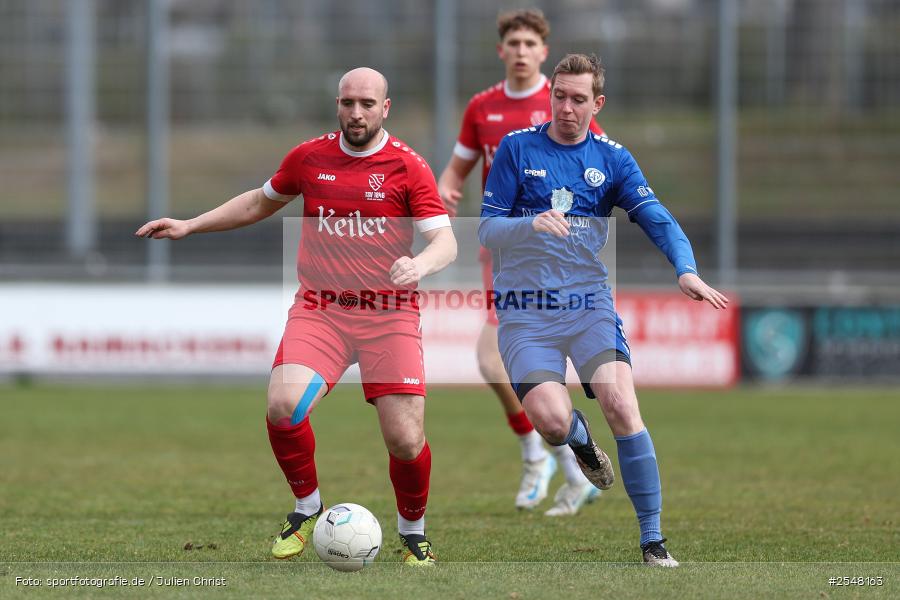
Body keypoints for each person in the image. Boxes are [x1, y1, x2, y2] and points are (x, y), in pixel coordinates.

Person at [135, 67, 456, 567]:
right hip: (321, 310)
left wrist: (419, 263)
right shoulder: (309, 157)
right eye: (348, 102)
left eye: (367, 104)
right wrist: (190, 225)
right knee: (283, 406)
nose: (356, 112)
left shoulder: (408, 167)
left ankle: (413, 531)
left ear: (384, 108)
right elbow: (259, 203)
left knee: (405, 438)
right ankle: (307, 507)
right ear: (337, 104)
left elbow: (446, 240)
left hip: (386, 315)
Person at [478, 53, 728, 567]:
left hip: (588, 305)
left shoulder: (613, 159)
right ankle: (578, 439)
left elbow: (656, 217)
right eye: (559, 96)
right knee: (549, 421)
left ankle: (653, 541)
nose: (565, 108)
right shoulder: (516, 149)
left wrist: (685, 268)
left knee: (620, 402)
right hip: (525, 313)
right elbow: (485, 229)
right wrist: (530, 225)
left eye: (577, 99)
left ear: (597, 103)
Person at [438, 8, 604, 516]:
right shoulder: (482, 107)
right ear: (501, 51)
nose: (521, 51)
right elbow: (457, 170)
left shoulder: (561, 105)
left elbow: (594, 166)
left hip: (555, 259)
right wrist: (446, 190)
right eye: (513, 43)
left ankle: (553, 458)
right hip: (504, 254)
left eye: (530, 43)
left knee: (510, 360)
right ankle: (554, 459)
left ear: (543, 52)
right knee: (496, 363)